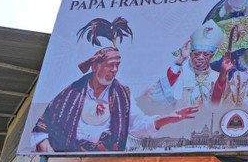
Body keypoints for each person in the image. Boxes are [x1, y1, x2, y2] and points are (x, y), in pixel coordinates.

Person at [31, 47, 198, 152]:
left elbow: (137, 123)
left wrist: (167, 118)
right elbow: (41, 130)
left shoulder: (121, 95)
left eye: (117, 65)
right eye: (110, 65)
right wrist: (51, 155)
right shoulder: (70, 94)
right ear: (96, 66)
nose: (114, 70)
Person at [149, 20, 226, 106]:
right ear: (191, 54)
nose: (200, 57)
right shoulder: (180, 74)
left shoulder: (218, 77)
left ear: (211, 56)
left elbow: (223, 104)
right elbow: (161, 92)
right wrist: (181, 59)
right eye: (197, 53)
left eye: (205, 54)